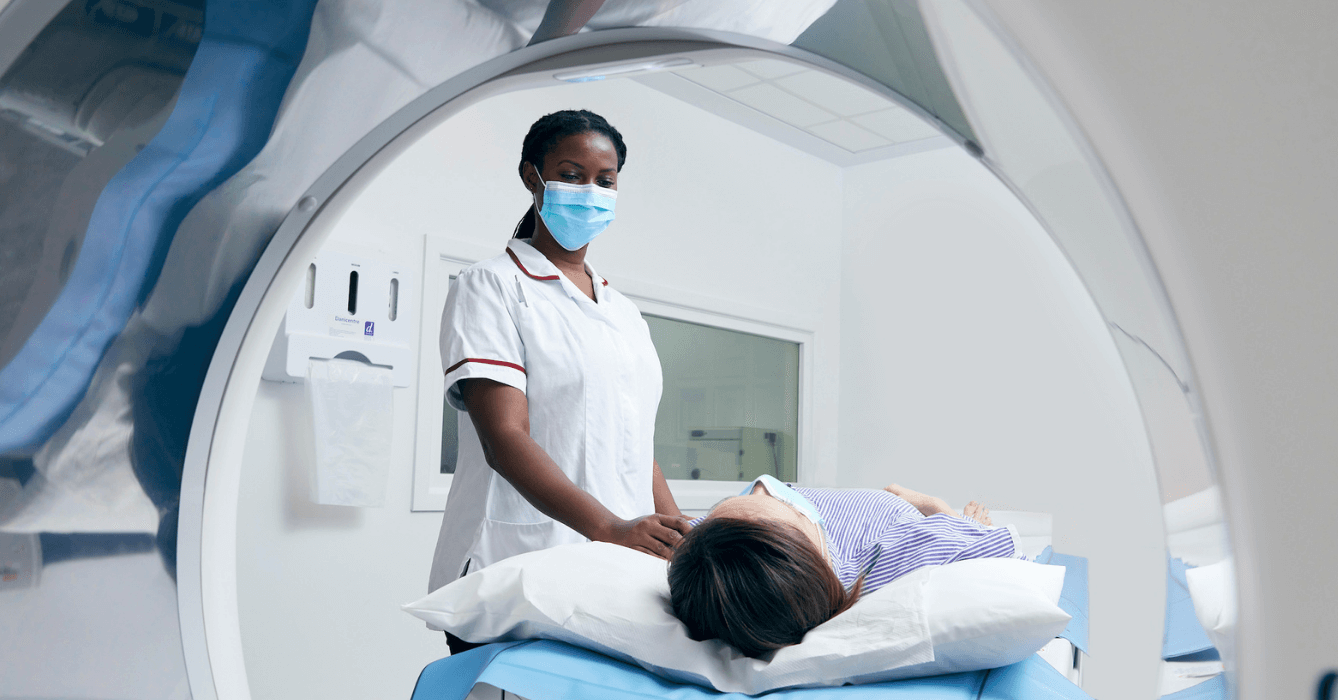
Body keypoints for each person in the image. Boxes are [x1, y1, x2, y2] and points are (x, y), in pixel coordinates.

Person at [430, 109, 690, 654]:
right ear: (533, 177)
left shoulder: (623, 312)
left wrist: (676, 533)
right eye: (571, 174)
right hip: (516, 571)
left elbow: (634, 443)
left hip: (613, 575)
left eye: (605, 180)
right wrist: (611, 528)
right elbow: (506, 440)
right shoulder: (492, 286)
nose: (590, 190)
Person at [667, 476, 1022, 658]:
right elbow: (1001, 558)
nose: (762, 489)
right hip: (898, 510)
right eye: (790, 511)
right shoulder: (878, 559)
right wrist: (935, 506)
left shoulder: (704, 557)